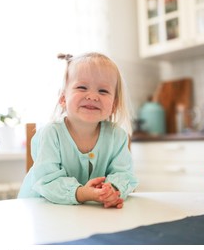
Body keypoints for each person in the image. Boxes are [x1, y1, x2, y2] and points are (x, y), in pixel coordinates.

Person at [18, 52, 138, 208]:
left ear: (113, 105)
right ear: (63, 98)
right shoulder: (50, 134)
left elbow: (124, 174)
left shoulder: (117, 136)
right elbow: (47, 180)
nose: (93, 96)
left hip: (89, 213)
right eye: (82, 87)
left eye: (103, 91)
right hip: (43, 210)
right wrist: (82, 193)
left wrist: (112, 190)